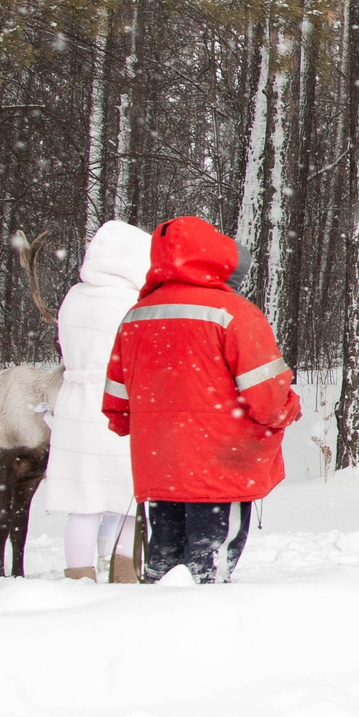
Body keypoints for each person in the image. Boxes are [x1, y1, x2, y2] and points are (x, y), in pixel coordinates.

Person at [103, 216, 302, 584]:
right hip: (220, 468)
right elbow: (267, 400)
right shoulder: (235, 313)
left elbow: (117, 403)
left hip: (159, 468)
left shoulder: (135, 316)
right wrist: (290, 409)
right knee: (209, 568)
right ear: (217, 256)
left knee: (161, 565)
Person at [43, 219, 152, 581]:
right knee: (123, 497)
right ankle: (122, 572)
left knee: (83, 501)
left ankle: (79, 576)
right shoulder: (132, 302)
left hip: (74, 402)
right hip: (117, 403)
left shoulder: (74, 296)